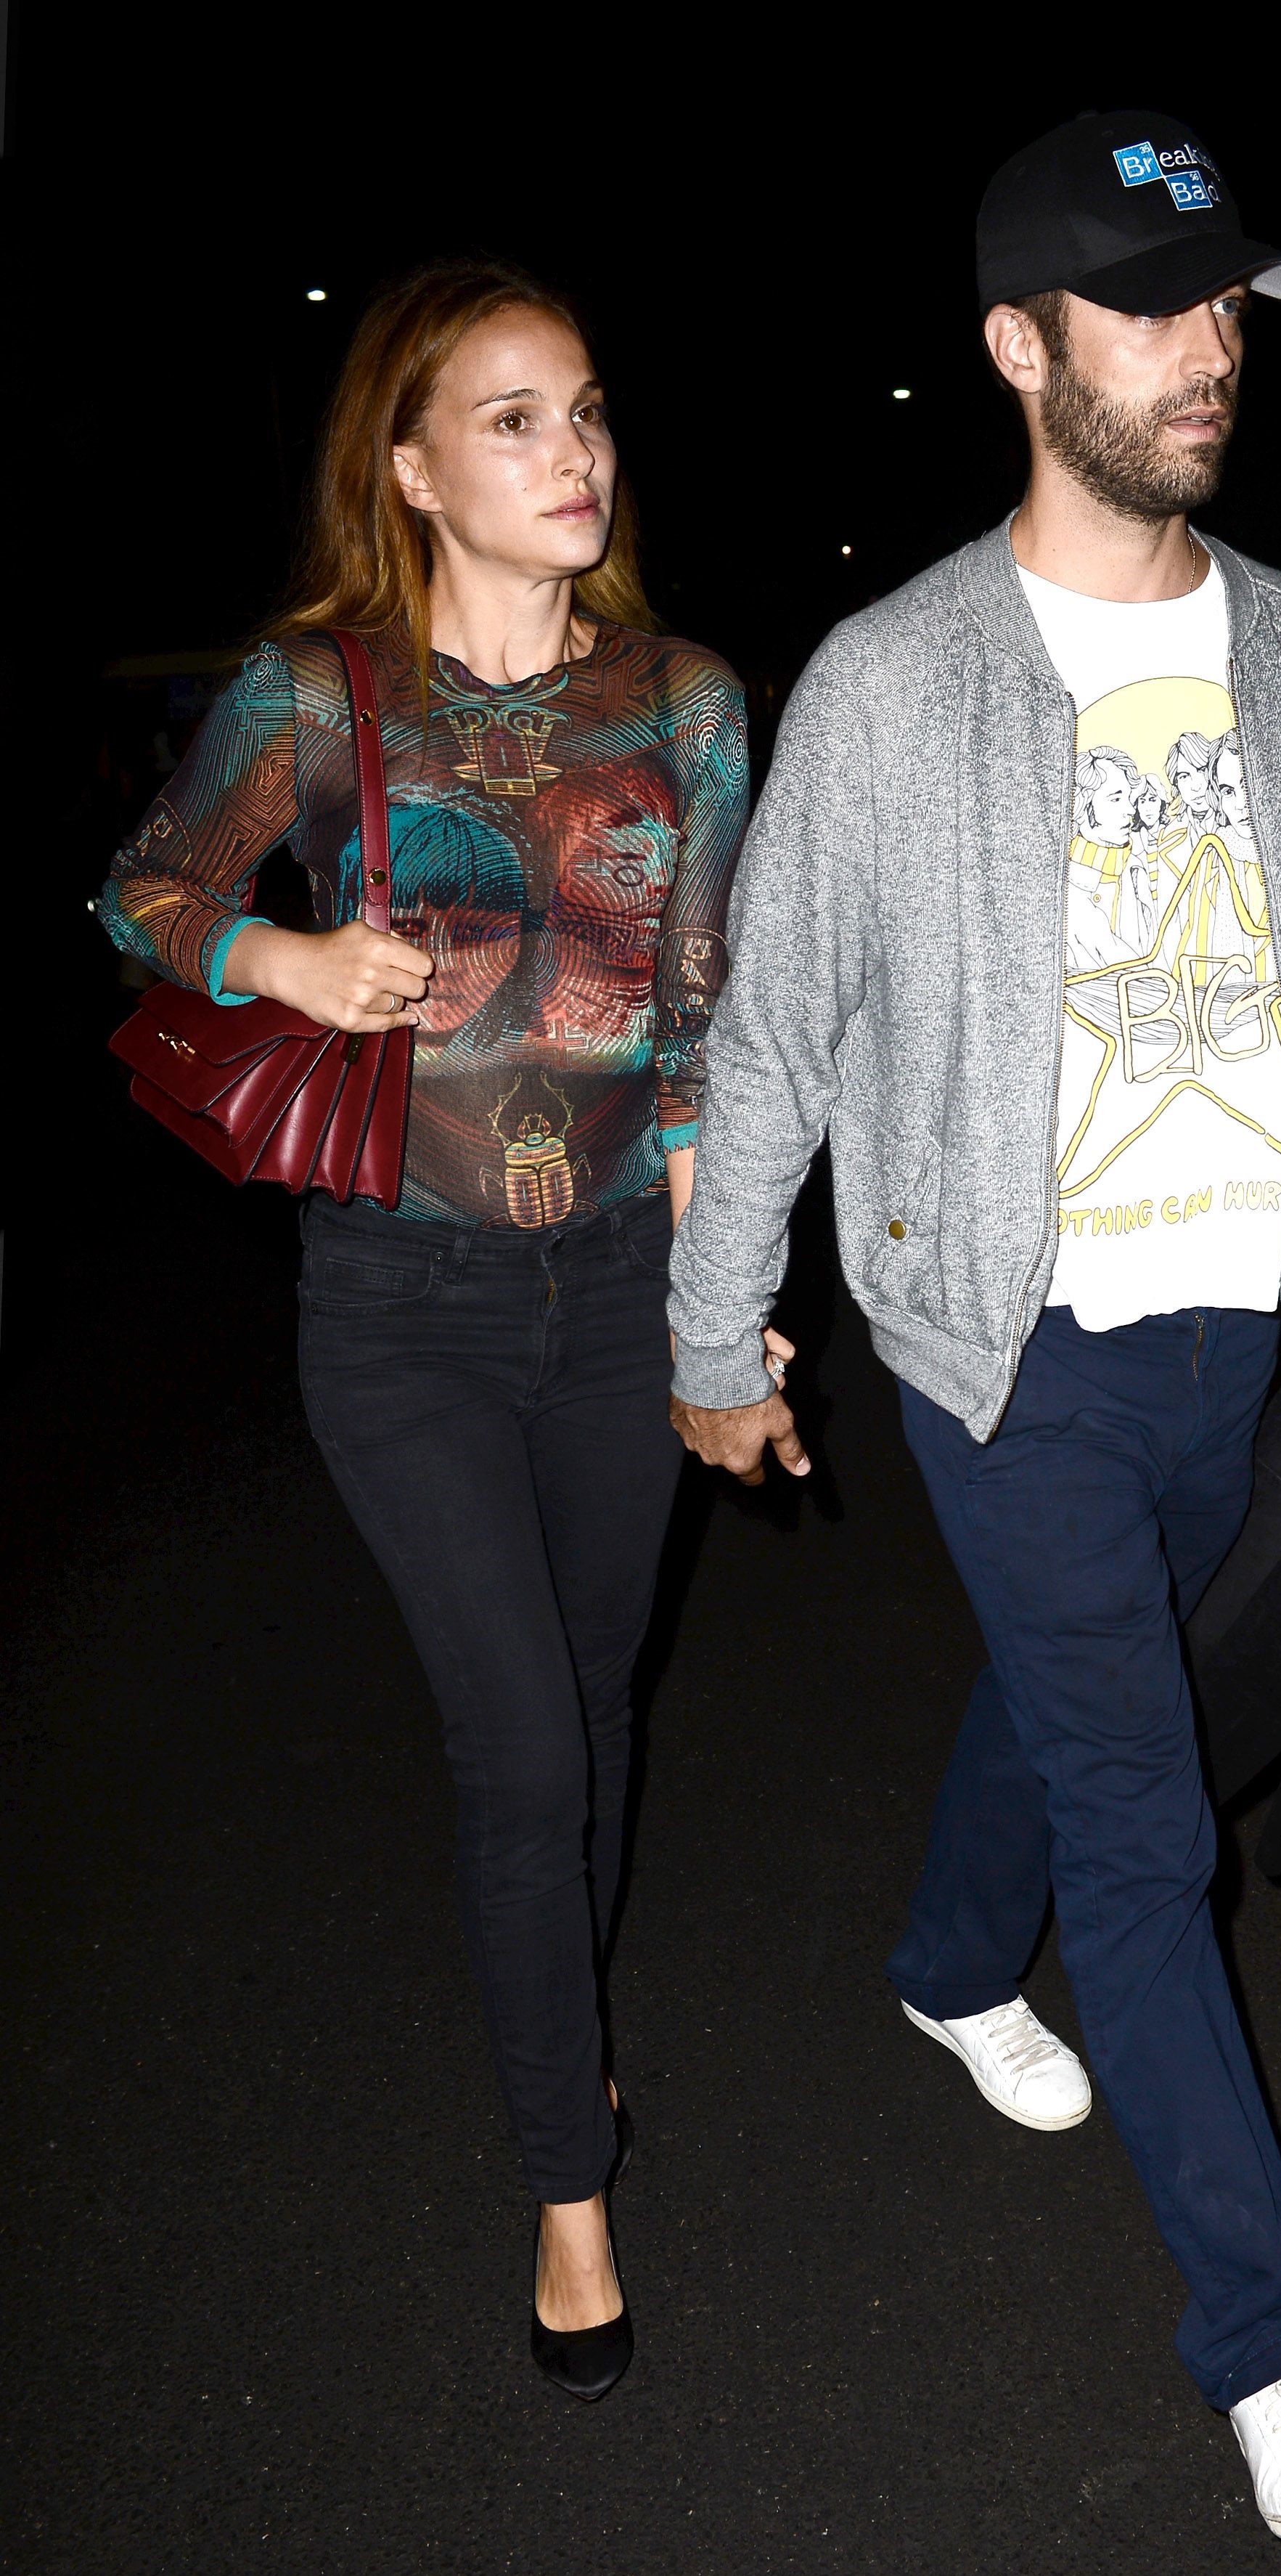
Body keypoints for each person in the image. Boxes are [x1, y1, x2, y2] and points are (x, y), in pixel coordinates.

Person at [666, 111, 1281, 2543]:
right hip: (1000, 1344)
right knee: (1145, 1823)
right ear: (1022, 348)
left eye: (1227, 298)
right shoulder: (901, 684)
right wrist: (722, 1340)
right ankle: (1273, 2354)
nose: (1211, 346)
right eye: (1152, 304)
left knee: (1081, 1690)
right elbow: (780, 1028)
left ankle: (940, 1960)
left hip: (1253, 1328)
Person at [100, 258, 770, 2404]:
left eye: (586, 411)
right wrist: (282, 964)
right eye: (514, 419)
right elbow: (140, 891)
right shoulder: (319, 693)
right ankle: (567, 2184)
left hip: (623, 1299)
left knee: (598, 1707)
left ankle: (556, 2051)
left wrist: (727, 1316)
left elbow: (699, 1027)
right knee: (524, 1749)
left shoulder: (684, 697)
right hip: (400, 1299)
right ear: (411, 468)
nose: (573, 453)